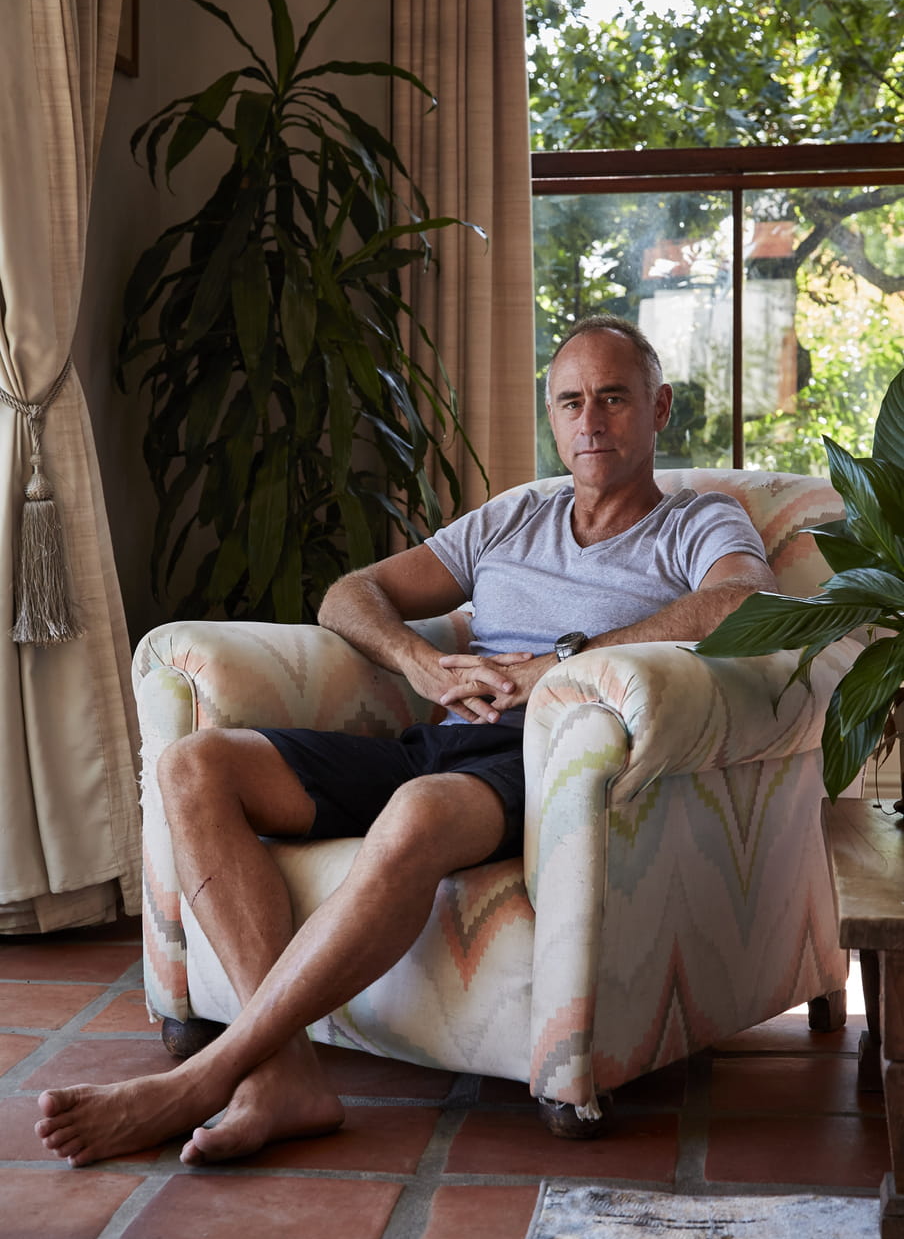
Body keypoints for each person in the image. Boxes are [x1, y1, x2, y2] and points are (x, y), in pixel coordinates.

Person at [34, 314, 777, 1167]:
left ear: (660, 408)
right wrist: (420, 662)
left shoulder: (697, 523)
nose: (591, 421)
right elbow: (350, 595)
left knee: (419, 813)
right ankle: (283, 1073)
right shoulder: (512, 520)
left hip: (544, 759)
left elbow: (741, 601)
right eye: (571, 401)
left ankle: (206, 1078)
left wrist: (560, 667)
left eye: (614, 398)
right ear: (551, 415)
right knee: (195, 765)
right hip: (435, 740)